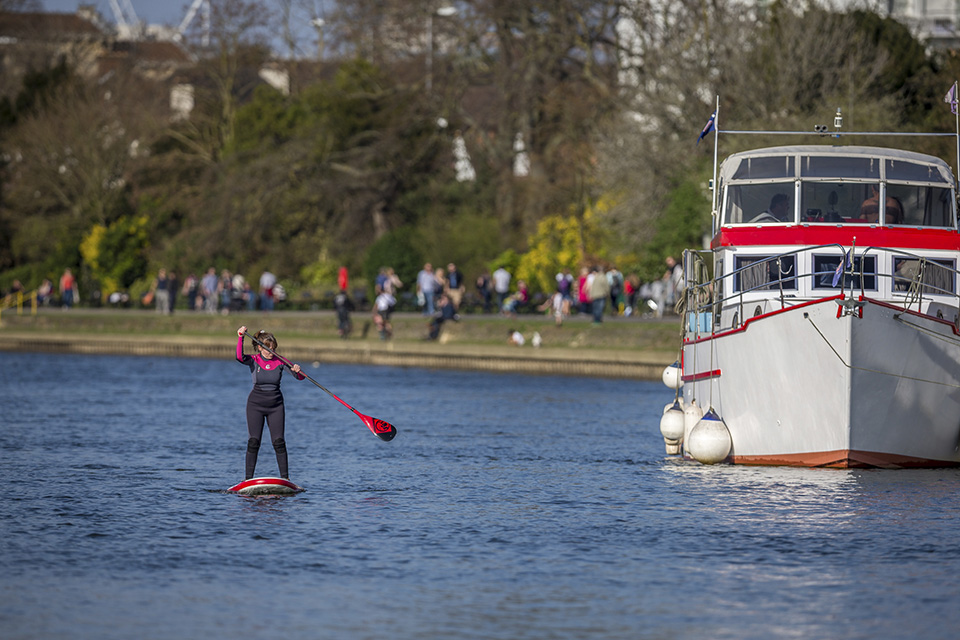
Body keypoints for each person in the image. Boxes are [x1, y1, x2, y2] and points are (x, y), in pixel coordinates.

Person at [235, 326, 304, 480]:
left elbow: (299, 377)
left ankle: (286, 480)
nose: (270, 350)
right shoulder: (254, 360)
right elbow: (239, 357)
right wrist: (241, 337)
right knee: (254, 441)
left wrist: (298, 371)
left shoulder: (280, 360)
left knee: (279, 442)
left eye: (273, 347)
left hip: (276, 406)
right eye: (267, 347)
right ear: (259, 347)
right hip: (255, 406)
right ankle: (248, 480)